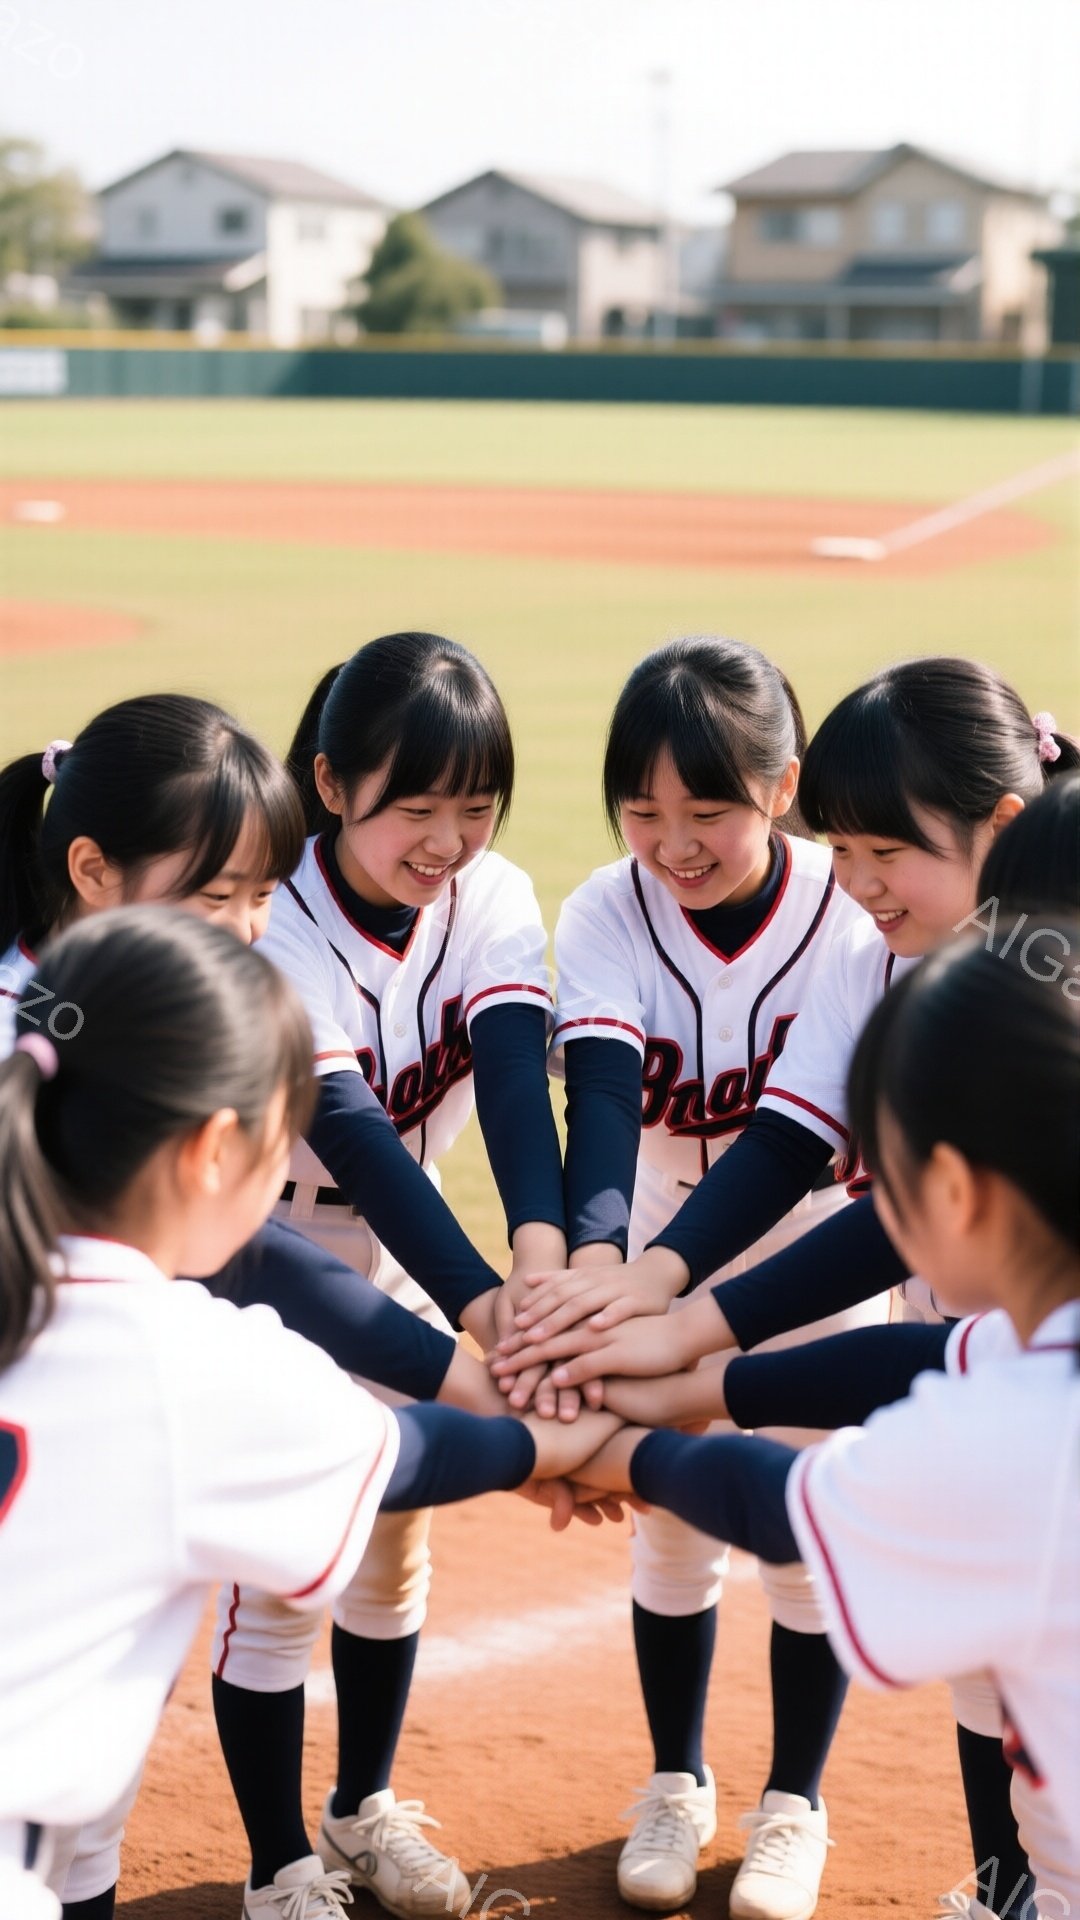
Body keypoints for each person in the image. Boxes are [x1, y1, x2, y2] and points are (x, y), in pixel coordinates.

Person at [494, 664, 1077, 1919]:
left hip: (970, 1361)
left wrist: (647, 1388)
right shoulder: (896, 960)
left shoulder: (1035, 996)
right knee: (995, 1666)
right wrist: (647, 1322)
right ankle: (1005, 1889)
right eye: (845, 849)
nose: (858, 883)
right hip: (954, 1343)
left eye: (886, 850)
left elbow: (875, 1235)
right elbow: (795, 1147)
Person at [0, 697, 591, 1920]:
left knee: (75, 1825)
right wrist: (538, 1424)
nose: (247, 931)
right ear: (91, 871)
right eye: (213, 898)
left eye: (261, 895)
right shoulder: (81, 1044)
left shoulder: (87, 1012)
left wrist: (480, 1381)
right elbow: (261, 1260)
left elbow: (255, 1255)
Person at [568, 923, 1080, 1920]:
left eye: (884, 1181)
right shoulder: (1033, 1352)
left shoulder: (1013, 1430)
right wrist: (679, 1388)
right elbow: (909, 1358)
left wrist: (618, 1449)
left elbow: (789, 1506)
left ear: (958, 1192)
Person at [509, 636, 890, 1919]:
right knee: (671, 1529)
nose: (674, 840)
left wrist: (648, 1289)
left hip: (812, 1258)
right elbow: (604, 1097)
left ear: (783, 789)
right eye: (643, 809)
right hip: (659, 1242)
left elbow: (792, 1140)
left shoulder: (848, 910)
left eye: (709, 809)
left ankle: (795, 1802)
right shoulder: (608, 908)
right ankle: (675, 1780)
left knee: (801, 1532)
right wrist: (605, 1272)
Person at [216, 633, 569, 1917]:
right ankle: (274, 1869)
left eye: (475, 807)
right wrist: (491, 1323)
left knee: (395, 1540)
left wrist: (534, 1272)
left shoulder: (495, 897)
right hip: (271, 1261)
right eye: (415, 807)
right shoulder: (275, 914)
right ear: (331, 783)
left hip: (404, 1257)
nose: (449, 840)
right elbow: (356, 1137)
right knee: (286, 1563)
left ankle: (360, 1810)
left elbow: (523, 1092)